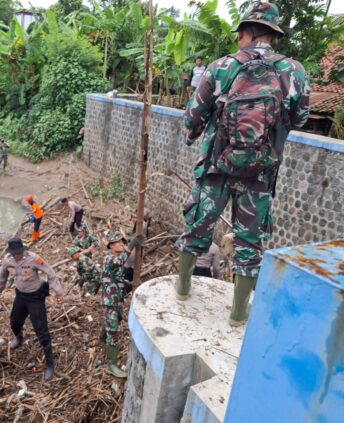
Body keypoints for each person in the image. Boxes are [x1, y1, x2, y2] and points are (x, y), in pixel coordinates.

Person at [175, 2, 310, 327]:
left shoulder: (221, 66)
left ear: (245, 32)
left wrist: (196, 135)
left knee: (197, 230)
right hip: (260, 174)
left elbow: (193, 119)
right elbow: (301, 119)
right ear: (273, 35)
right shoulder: (293, 71)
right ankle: (238, 314)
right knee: (250, 243)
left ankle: (181, 291)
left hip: (215, 168)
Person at [0, 237, 64, 381]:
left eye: (19, 252)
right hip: (21, 295)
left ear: (23, 250)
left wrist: (58, 292)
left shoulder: (34, 259)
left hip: (36, 297)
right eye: (14, 253)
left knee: (41, 330)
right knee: (15, 321)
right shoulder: (8, 260)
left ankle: (50, 364)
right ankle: (19, 337)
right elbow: (2, 275)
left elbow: (51, 273)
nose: (16, 256)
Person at [100, 231, 143, 378]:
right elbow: (121, 261)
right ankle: (111, 365)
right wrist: (131, 245)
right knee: (114, 331)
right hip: (110, 301)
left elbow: (118, 277)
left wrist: (131, 284)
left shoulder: (115, 258)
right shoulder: (110, 258)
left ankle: (102, 337)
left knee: (114, 320)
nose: (121, 244)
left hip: (115, 299)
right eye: (118, 242)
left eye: (122, 242)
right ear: (111, 245)